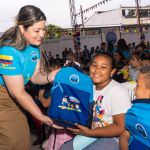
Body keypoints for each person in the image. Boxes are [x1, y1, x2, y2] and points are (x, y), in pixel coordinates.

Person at [0, 5, 59, 150]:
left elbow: (35, 77)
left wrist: (49, 77)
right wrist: (42, 117)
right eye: (37, 30)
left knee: (20, 138)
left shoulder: (34, 47)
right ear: (22, 28)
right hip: (4, 98)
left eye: (43, 29)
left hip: (16, 96)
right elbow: (18, 93)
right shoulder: (8, 51)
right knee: (13, 142)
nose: (42, 34)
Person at [60, 52, 131, 150]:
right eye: (94, 65)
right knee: (65, 148)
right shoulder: (88, 86)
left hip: (115, 136)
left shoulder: (117, 91)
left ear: (112, 71)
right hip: (94, 132)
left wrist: (89, 132)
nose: (97, 70)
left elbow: (120, 127)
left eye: (103, 67)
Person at [120, 65, 150, 150]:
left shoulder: (135, 113)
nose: (134, 90)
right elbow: (125, 134)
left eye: (138, 86)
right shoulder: (135, 110)